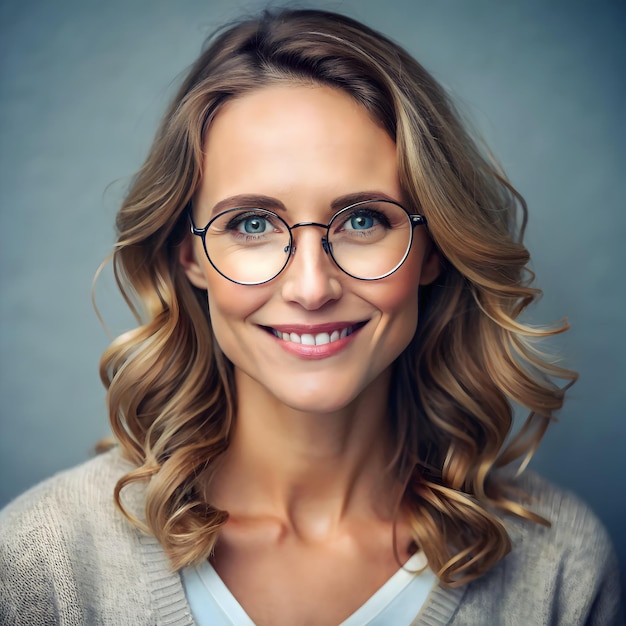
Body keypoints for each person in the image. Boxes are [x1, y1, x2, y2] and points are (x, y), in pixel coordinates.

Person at [0, 8, 622, 626]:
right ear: (190, 256)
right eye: (251, 224)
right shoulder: (46, 557)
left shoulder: (559, 567)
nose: (310, 286)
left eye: (362, 220)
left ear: (431, 249)